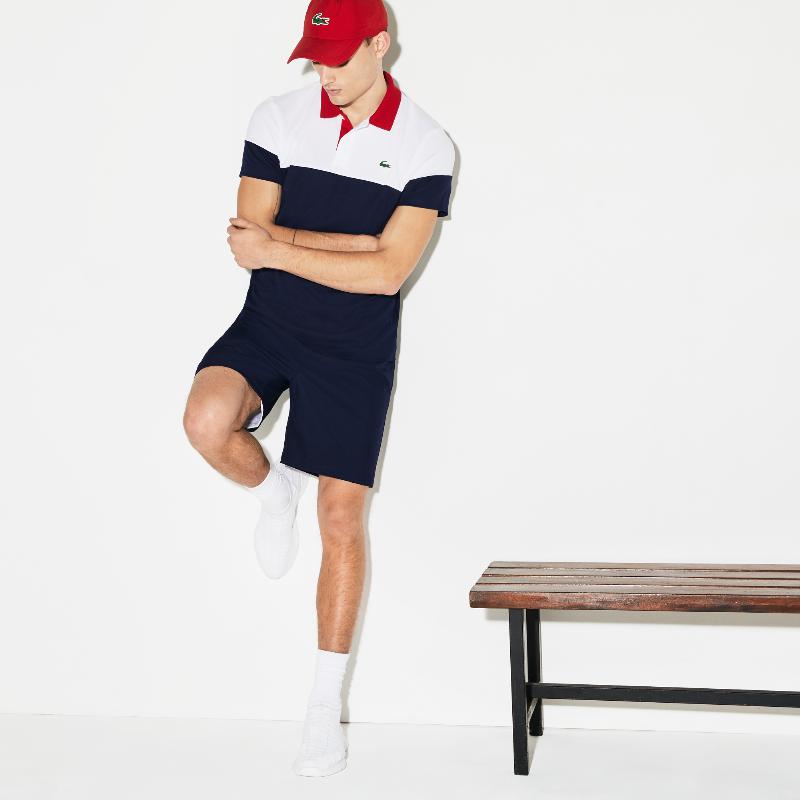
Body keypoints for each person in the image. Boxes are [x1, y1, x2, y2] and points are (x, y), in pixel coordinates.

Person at [182, 0, 455, 778]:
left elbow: (388, 273)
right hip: (269, 322)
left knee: (341, 518)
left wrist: (289, 244)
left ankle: (322, 710)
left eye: (338, 56)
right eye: (315, 55)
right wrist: (351, 245)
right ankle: (274, 489)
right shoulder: (277, 117)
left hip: (353, 349)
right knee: (206, 423)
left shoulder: (426, 144)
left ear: (380, 43)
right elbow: (249, 238)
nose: (323, 72)